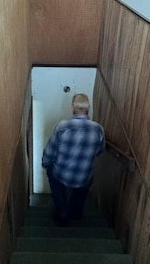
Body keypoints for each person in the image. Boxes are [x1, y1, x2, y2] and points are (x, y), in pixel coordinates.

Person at [42, 93, 105, 226]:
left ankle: (62, 212)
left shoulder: (63, 126)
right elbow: (100, 151)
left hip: (61, 174)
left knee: (51, 172)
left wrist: (45, 164)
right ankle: (76, 213)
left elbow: (50, 151)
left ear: (73, 107)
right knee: (84, 184)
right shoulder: (98, 129)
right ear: (88, 108)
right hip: (83, 177)